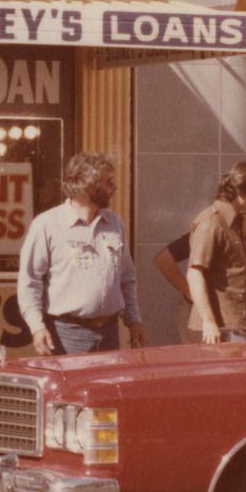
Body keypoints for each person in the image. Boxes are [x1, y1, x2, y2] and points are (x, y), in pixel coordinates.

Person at [17, 152, 146, 355]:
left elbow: (127, 279)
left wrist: (134, 320)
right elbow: (29, 282)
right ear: (89, 185)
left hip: (109, 334)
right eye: (108, 182)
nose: (114, 187)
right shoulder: (47, 224)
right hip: (67, 335)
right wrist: (37, 327)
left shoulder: (115, 223)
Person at [186, 161, 246, 344]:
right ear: (240, 192)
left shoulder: (234, 223)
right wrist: (209, 321)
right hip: (219, 330)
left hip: (237, 325)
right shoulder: (211, 222)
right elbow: (195, 273)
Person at [152, 232, 194, 344]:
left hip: (235, 316)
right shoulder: (208, 230)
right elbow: (163, 259)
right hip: (199, 315)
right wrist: (191, 292)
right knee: (201, 359)